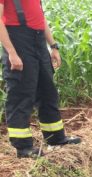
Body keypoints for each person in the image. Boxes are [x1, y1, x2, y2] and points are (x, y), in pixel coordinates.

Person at [0, 0, 80, 158]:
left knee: (47, 91)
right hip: (18, 41)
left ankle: (56, 138)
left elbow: (40, 18)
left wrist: (53, 46)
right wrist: (12, 53)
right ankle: (23, 148)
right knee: (21, 94)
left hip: (38, 41)